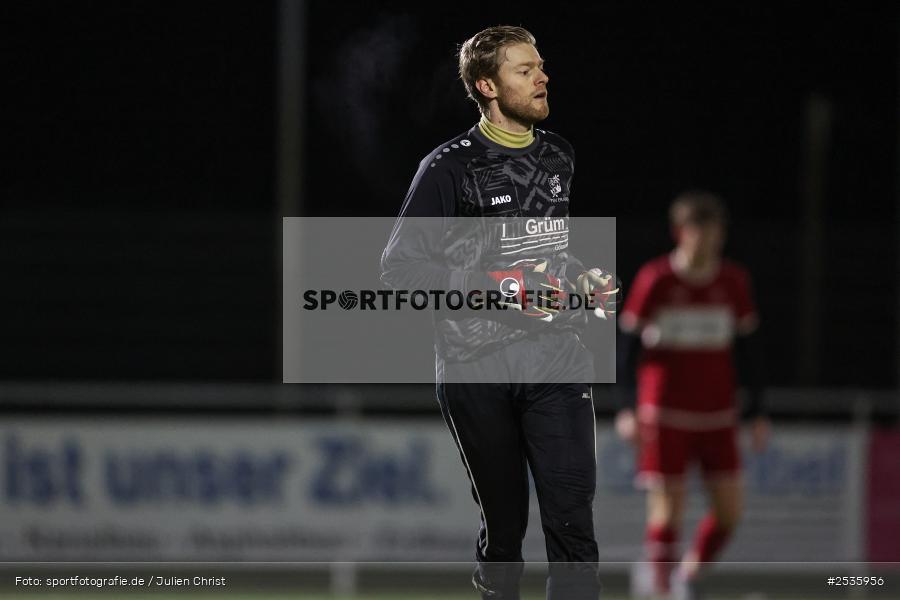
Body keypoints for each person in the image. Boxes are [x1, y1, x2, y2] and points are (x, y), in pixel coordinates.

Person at [380, 26, 617, 600]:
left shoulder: (560, 155)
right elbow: (400, 269)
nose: (542, 76)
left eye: (541, 65)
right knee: (506, 530)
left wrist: (582, 278)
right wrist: (499, 287)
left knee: (570, 519)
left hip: (557, 361)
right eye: (524, 69)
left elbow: (546, 251)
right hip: (475, 368)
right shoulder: (447, 168)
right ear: (487, 85)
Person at [615, 191, 770, 599]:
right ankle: (664, 590)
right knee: (668, 507)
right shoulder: (657, 279)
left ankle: (688, 575)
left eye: (714, 232)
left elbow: (750, 352)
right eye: (697, 232)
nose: (706, 241)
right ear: (680, 234)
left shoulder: (733, 281)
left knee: (730, 512)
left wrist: (756, 412)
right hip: (664, 413)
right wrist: (627, 407)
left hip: (718, 414)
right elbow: (627, 349)